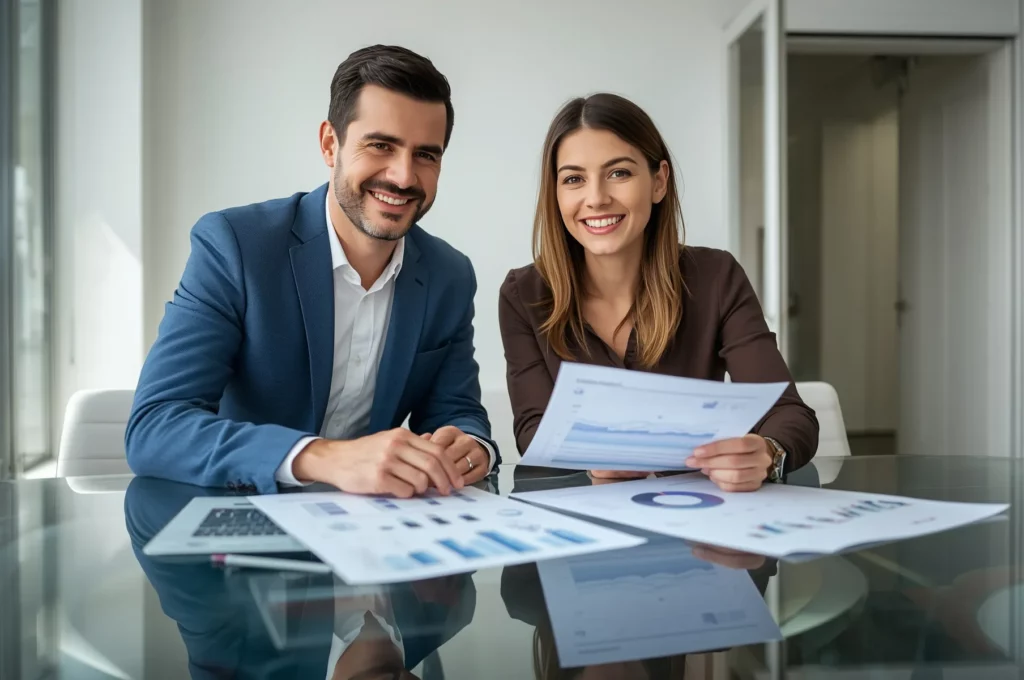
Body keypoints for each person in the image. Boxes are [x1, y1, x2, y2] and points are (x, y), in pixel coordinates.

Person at [126, 45, 497, 496]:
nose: (403, 176)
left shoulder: (449, 275)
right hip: (240, 526)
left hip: (376, 534)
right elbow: (156, 426)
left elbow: (455, 409)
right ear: (330, 144)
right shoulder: (235, 246)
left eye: (426, 155)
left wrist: (471, 444)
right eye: (381, 145)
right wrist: (324, 457)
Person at [499, 93, 818, 491]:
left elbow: (790, 414)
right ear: (556, 192)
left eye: (619, 173)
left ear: (659, 181)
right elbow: (534, 429)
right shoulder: (523, 293)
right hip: (587, 527)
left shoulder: (716, 276)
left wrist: (767, 452)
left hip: (703, 523)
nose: (596, 198)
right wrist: (592, 465)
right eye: (573, 179)